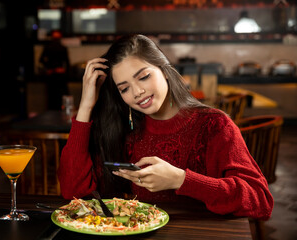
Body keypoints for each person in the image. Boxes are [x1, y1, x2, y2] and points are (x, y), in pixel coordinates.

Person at [58, 34, 273, 220]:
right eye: (125, 89)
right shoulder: (125, 130)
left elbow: (260, 201)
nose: (137, 92)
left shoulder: (214, 125)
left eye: (143, 77)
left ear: (165, 70)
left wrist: (181, 180)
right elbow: (72, 191)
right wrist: (86, 105)